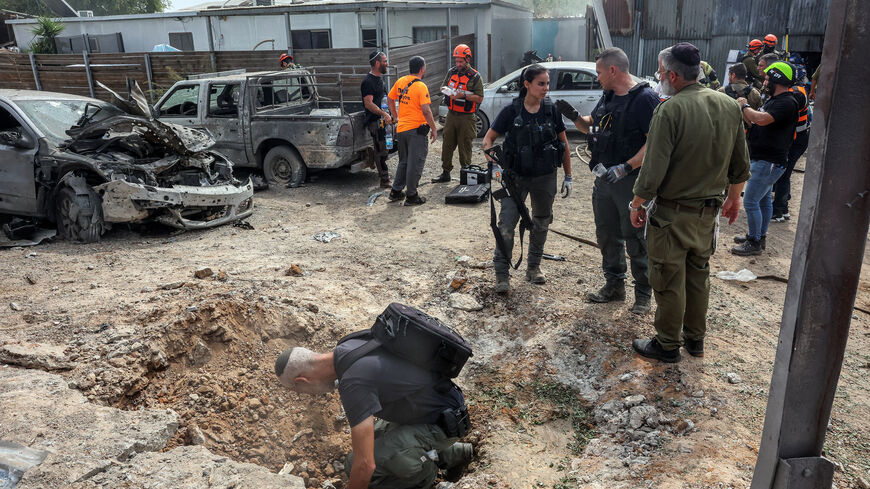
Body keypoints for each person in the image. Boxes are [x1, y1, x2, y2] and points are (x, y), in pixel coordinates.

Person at [629, 43, 750, 363]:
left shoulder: (669, 109)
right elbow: (741, 166)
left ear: (671, 74)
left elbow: (652, 170)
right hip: (707, 216)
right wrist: (735, 199)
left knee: (667, 278)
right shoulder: (728, 106)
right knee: (698, 277)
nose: (658, 76)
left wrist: (637, 203)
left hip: (672, 216)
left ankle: (668, 345)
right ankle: (695, 340)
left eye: (659, 71)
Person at [274, 340, 473, 488]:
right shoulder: (348, 347)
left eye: (297, 391)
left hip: (443, 421)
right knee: (363, 451)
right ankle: (455, 452)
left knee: (366, 468)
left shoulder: (353, 382)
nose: (302, 395)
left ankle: (425, 474)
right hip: (435, 406)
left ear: (302, 381)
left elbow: (366, 465)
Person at [554, 47, 660, 314]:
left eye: (600, 72)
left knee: (636, 238)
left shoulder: (645, 99)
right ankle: (614, 286)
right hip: (603, 181)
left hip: (630, 184)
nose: (597, 77)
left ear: (613, 70)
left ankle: (643, 294)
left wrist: (626, 167)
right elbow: (592, 125)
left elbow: (655, 143)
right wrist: (575, 116)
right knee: (607, 235)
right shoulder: (608, 96)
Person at [482, 64, 572, 294]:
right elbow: (488, 140)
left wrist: (569, 176)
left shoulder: (551, 111)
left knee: (541, 222)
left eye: (547, 84)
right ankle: (502, 275)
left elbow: (564, 144)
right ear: (527, 85)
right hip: (515, 178)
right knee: (506, 226)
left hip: (545, 177)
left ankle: (533, 268)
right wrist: (494, 165)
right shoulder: (511, 111)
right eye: (540, 84)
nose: (545, 88)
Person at [731, 62, 799, 255]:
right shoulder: (775, 100)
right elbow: (755, 122)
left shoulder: (786, 102)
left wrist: (744, 106)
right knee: (763, 201)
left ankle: (754, 241)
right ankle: (759, 236)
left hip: (768, 161)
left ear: (777, 79)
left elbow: (761, 119)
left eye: (768, 78)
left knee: (751, 201)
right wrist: (745, 112)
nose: (765, 81)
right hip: (765, 159)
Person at [386, 56, 438, 206]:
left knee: (404, 161)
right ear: (422, 68)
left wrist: (396, 118)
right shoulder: (421, 86)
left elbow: (390, 99)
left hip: (402, 129)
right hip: (416, 131)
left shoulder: (401, 81)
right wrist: (434, 129)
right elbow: (426, 110)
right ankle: (411, 195)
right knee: (414, 163)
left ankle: (395, 191)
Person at [432, 44, 484, 183]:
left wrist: (462, 95)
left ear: (468, 59)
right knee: (447, 144)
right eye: (457, 61)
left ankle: (466, 174)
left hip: (467, 118)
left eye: (461, 61)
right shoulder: (451, 72)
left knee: (465, 145)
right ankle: (445, 173)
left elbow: (479, 97)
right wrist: (448, 91)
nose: (458, 64)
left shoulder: (475, 76)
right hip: (451, 115)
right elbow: (442, 87)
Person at [771, 80, 811, 222]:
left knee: (783, 174)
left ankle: (778, 211)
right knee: (784, 173)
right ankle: (783, 208)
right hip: (797, 138)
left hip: (796, 140)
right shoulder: (797, 90)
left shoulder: (796, 93)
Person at [361, 50, 393, 188]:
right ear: (377, 63)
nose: (387, 64)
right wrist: (383, 114)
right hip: (375, 121)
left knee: (387, 148)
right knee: (381, 151)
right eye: (385, 61)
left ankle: (374, 160)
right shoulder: (368, 81)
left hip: (384, 120)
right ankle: (384, 180)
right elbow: (368, 103)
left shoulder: (379, 78)